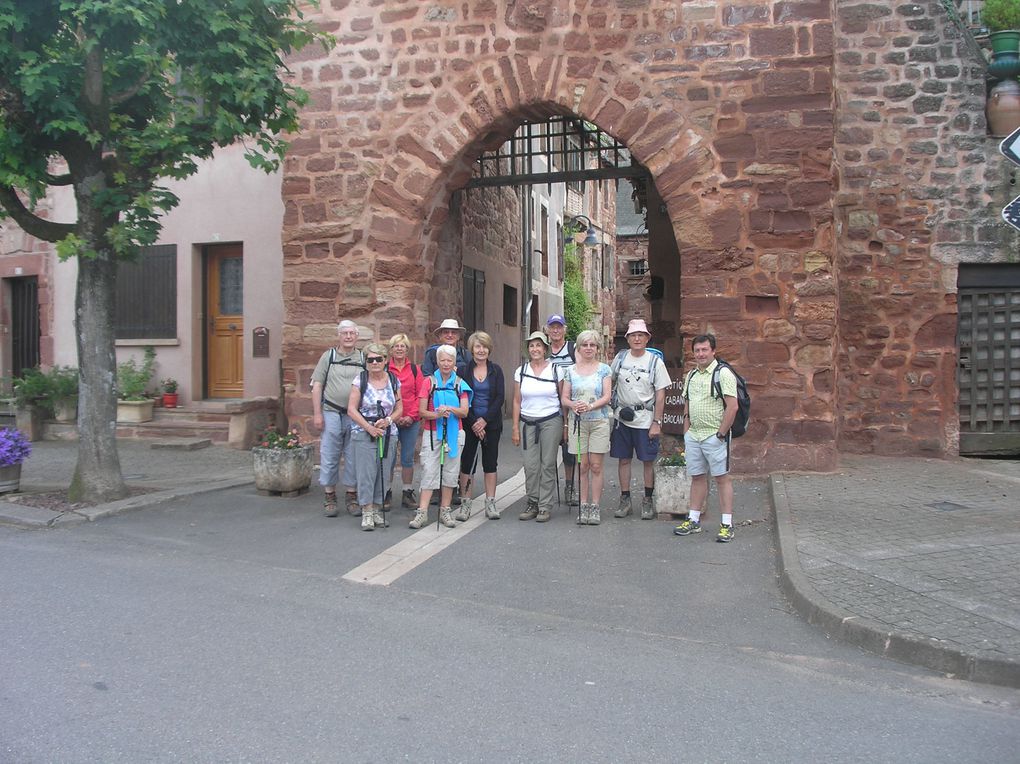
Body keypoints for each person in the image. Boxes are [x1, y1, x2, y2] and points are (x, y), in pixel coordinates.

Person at [673, 333, 739, 542]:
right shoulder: (692, 375)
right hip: (695, 435)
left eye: (704, 350)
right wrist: (686, 432)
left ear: (713, 351)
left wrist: (721, 434)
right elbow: (687, 404)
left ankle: (727, 524)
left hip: (714, 435)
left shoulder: (723, 374)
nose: (700, 354)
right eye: (697, 350)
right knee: (698, 477)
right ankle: (694, 520)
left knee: (722, 479)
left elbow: (732, 406)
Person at [609, 318, 672, 520]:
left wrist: (657, 422)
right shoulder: (619, 359)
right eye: (633, 335)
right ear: (627, 338)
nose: (637, 338)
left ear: (647, 339)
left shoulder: (655, 362)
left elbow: (661, 394)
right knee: (624, 459)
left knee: (647, 461)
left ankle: (647, 499)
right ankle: (625, 499)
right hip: (622, 417)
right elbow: (608, 382)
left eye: (641, 335)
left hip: (645, 419)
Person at [412, 345, 471, 529]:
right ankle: (422, 512)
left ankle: (445, 510)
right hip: (433, 432)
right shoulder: (429, 382)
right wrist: (437, 415)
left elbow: (464, 412)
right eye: (443, 360)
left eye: (449, 360)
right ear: (437, 361)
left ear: (454, 362)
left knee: (451, 472)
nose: (446, 364)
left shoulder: (460, 383)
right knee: (429, 469)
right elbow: (422, 411)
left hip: (455, 432)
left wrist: (449, 409)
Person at [311, 320, 364, 518]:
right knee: (330, 454)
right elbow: (317, 385)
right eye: (345, 333)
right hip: (331, 411)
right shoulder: (328, 356)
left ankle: (351, 495)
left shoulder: (362, 357)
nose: (348, 336)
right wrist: (317, 413)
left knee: (353, 455)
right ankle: (329, 494)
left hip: (354, 414)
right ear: (339, 336)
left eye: (351, 333)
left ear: (356, 336)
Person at [347, 343, 403, 531]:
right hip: (364, 432)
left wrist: (388, 420)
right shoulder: (360, 381)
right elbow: (352, 409)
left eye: (379, 359)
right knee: (366, 473)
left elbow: (399, 408)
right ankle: (367, 511)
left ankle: (378, 508)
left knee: (384, 471)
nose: (375, 363)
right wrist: (368, 428)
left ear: (385, 360)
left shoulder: (393, 381)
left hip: (388, 433)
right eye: (370, 359)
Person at [561, 330, 613, 525]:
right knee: (583, 466)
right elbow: (564, 397)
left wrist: (590, 406)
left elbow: (607, 396)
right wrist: (574, 405)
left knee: (597, 466)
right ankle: (583, 504)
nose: (589, 348)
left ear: (597, 348)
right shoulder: (570, 371)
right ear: (579, 348)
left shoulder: (604, 370)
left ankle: (595, 505)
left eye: (592, 345)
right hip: (578, 424)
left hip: (599, 421)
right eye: (585, 345)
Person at [512, 330, 563, 523]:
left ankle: (544, 506)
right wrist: (515, 428)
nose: (535, 349)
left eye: (539, 345)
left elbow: (562, 399)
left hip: (551, 420)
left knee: (548, 464)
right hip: (527, 422)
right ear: (528, 349)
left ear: (545, 348)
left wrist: (565, 426)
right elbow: (517, 401)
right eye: (532, 345)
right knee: (530, 465)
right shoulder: (521, 371)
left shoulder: (556, 370)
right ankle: (532, 501)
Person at [457, 331, 505, 521]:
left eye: (484, 346)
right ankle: (465, 504)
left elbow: (500, 397)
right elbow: (461, 398)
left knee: (490, 463)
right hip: (469, 423)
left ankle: (491, 502)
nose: (481, 350)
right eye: (477, 346)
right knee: (467, 463)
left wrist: (484, 420)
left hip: (491, 424)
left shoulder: (497, 370)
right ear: (472, 349)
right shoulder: (462, 371)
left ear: (489, 349)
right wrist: (475, 422)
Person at [388, 333, 428, 510]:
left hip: (410, 419)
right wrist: (394, 417)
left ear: (407, 349)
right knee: (388, 457)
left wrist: (411, 416)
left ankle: (407, 491)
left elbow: (420, 394)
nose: (399, 349)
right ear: (391, 349)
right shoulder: (384, 368)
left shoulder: (414, 369)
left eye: (402, 346)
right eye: (396, 346)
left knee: (407, 458)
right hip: (390, 419)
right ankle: (386, 491)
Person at [545, 314, 578, 507]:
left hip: (569, 406)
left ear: (564, 329)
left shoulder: (573, 350)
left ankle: (570, 487)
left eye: (559, 327)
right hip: (548, 407)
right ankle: (546, 490)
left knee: (568, 451)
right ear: (547, 330)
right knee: (547, 452)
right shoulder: (543, 350)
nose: (556, 330)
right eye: (552, 327)